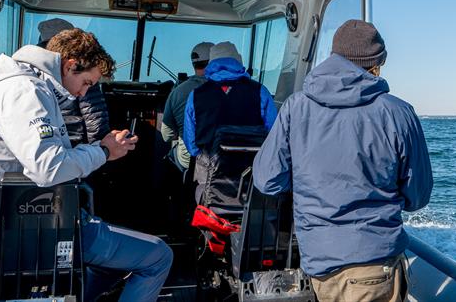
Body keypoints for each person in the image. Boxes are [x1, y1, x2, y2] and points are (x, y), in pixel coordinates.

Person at [0, 28, 172, 302]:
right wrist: (104, 151)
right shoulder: (25, 91)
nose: (83, 94)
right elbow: (49, 168)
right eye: (87, 82)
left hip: (22, 222)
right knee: (159, 256)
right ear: (70, 65)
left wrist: (98, 148)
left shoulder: (15, 85)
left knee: (112, 266)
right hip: (29, 233)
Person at [252, 20, 433, 302]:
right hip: (374, 264)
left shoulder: (295, 107)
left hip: (319, 265)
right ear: (376, 64)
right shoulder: (399, 112)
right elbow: (417, 197)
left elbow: (267, 180)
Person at [182, 42, 277, 212]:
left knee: (201, 183)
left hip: (211, 177)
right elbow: (274, 136)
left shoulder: (195, 95)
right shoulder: (261, 91)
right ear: (238, 62)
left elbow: (191, 145)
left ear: (211, 64)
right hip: (251, 177)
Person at [37, 18, 110, 146]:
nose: (83, 92)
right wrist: (101, 150)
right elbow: (93, 115)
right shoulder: (81, 72)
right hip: (74, 145)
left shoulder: (33, 74)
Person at [160, 41, 214, 171]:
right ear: (214, 61)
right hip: (223, 159)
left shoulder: (178, 92)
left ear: (193, 63)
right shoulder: (228, 89)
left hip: (190, 160)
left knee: (169, 158)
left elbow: (166, 136)